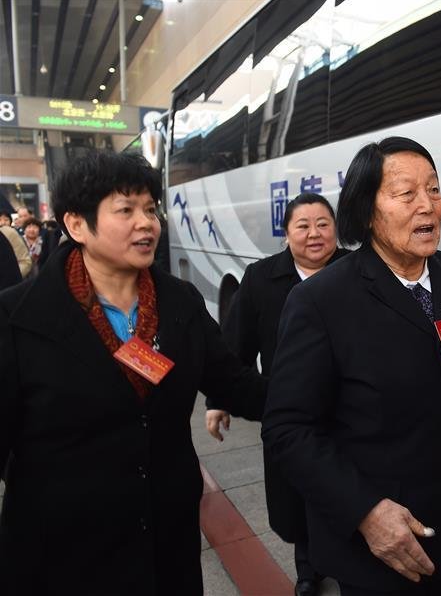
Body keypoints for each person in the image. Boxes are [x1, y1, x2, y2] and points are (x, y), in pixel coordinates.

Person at [262, 137, 441, 596]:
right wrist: (365, 511)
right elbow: (288, 429)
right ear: (367, 211)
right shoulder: (321, 301)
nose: (427, 205)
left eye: (434, 189)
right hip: (380, 551)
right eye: (406, 194)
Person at [0, 151, 265, 595]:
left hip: (166, 546)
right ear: (76, 224)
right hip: (62, 556)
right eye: (126, 210)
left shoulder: (180, 303)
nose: (147, 223)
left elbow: (235, 385)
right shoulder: (17, 317)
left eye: (150, 208)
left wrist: (320, 394)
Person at [207, 192, 348, 596]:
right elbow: (235, 344)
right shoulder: (261, 278)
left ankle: (348, 561)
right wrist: (219, 400)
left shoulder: (356, 271)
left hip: (349, 408)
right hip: (289, 409)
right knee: (297, 492)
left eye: (323, 224)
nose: (314, 233)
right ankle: (308, 569)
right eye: (303, 226)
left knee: (346, 486)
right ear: (286, 234)